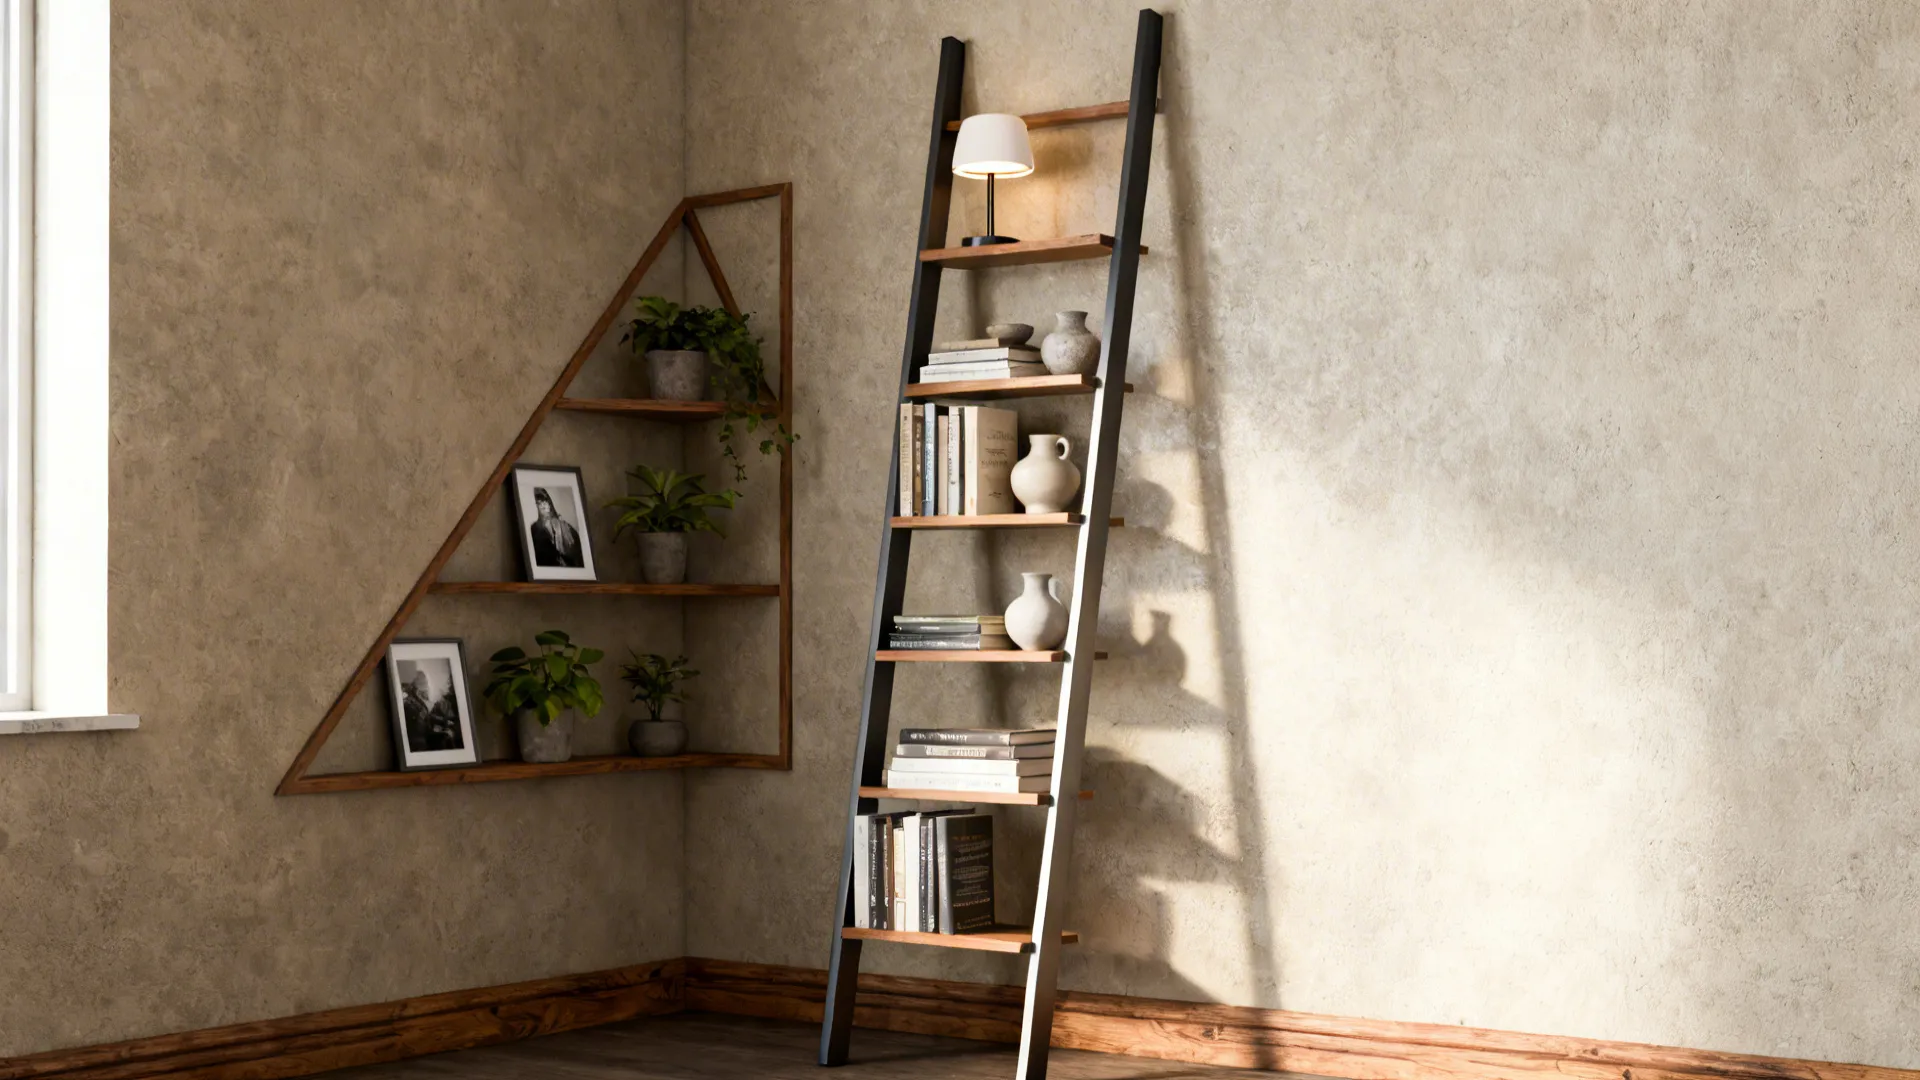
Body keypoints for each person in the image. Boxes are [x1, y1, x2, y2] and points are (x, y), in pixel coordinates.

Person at [529, 487, 584, 567]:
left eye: (545, 501)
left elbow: (576, 552)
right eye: (539, 503)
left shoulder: (565, 526)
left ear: (549, 503)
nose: (543, 505)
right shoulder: (534, 529)